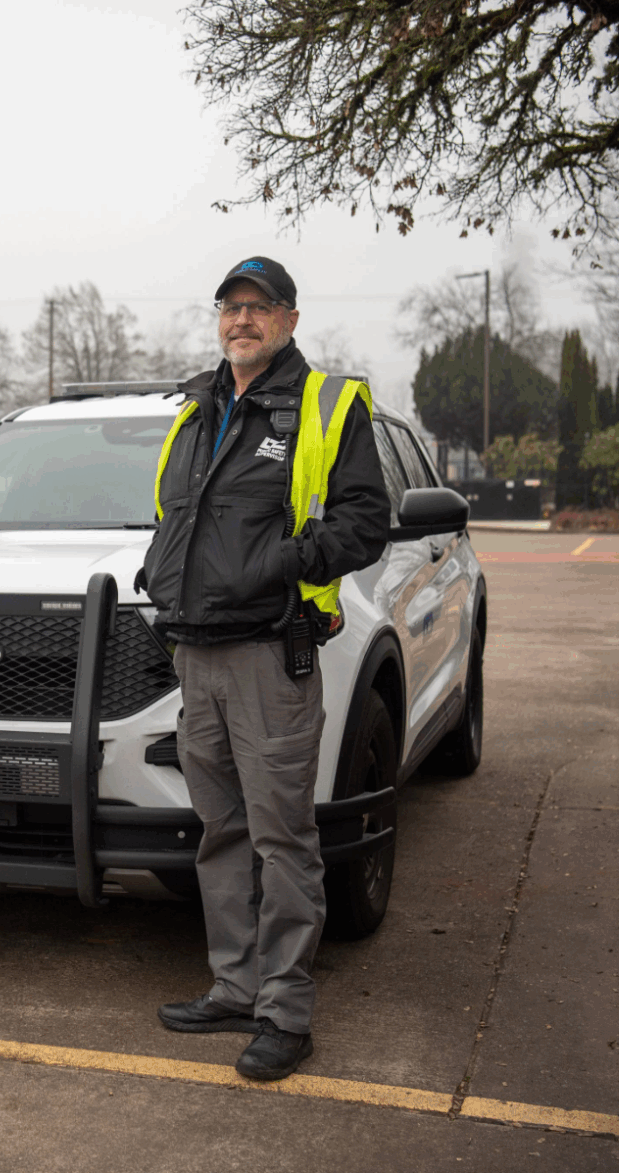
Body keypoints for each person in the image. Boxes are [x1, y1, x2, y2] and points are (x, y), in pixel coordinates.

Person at [138, 258, 390, 1079]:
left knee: (283, 838)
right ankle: (234, 986)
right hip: (196, 656)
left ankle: (286, 1011)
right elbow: (173, 513)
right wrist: (157, 565)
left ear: (287, 318)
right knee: (221, 831)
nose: (241, 319)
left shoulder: (325, 406)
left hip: (268, 654)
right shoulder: (197, 408)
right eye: (229, 306)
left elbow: (363, 524)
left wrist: (279, 565)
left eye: (259, 306)